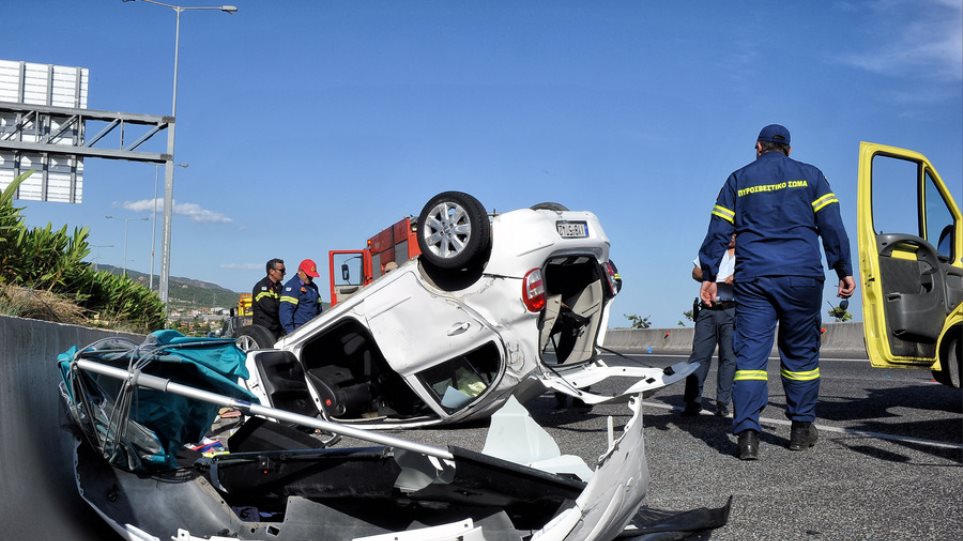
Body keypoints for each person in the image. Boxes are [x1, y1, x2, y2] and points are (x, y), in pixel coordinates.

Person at [698, 124, 855, 461]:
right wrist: (843, 268)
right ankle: (800, 429)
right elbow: (831, 224)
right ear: (789, 149)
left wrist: (709, 273)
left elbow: (719, 228)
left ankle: (748, 436)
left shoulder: (738, 179)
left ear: (758, 147)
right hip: (803, 275)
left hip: (755, 278)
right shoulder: (811, 176)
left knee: (750, 358)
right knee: (801, 354)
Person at [680, 234, 736, 418]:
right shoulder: (713, 249)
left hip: (732, 309)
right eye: (730, 232)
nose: (732, 236)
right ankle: (692, 401)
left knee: (729, 357)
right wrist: (712, 277)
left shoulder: (748, 253)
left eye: (736, 233)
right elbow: (695, 271)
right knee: (698, 356)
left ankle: (722, 403)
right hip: (707, 309)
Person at [280, 258, 323, 334]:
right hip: (299, 328)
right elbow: (286, 311)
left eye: (312, 276)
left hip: (313, 327)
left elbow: (318, 308)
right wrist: (290, 332)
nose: (310, 278)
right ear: (300, 271)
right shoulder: (292, 287)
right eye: (308, 275)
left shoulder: (314, 287)